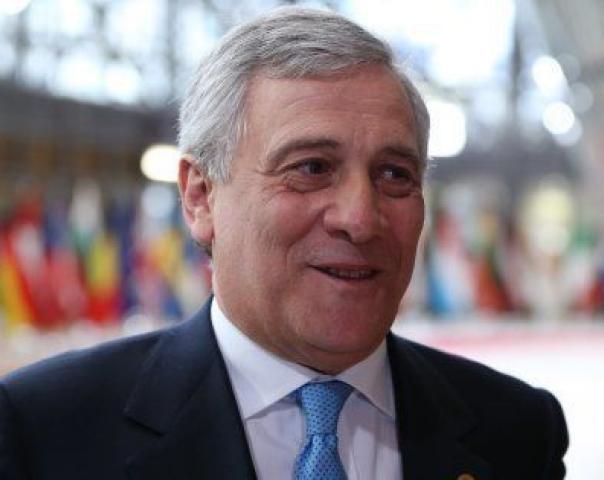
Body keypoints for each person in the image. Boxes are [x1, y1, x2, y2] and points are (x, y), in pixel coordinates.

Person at [0, 7, 568, 480]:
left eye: (394, 174)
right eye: (312, 167)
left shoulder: (517, 432)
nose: (360, 219)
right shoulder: (41, 431)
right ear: (200, 197)